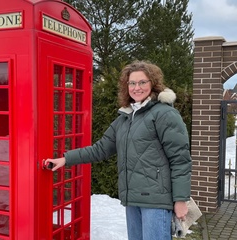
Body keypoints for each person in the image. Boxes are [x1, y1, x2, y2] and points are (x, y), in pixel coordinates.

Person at [45, 60, 192, 240]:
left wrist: (180, 199)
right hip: (132, 200)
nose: (136, 87)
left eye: (142, 82)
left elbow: (180, 159)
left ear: (153, 84)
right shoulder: (125, 118)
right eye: (132, 83)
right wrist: (66, 159)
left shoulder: (164, 114)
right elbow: (100, 149)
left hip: (156, 202)